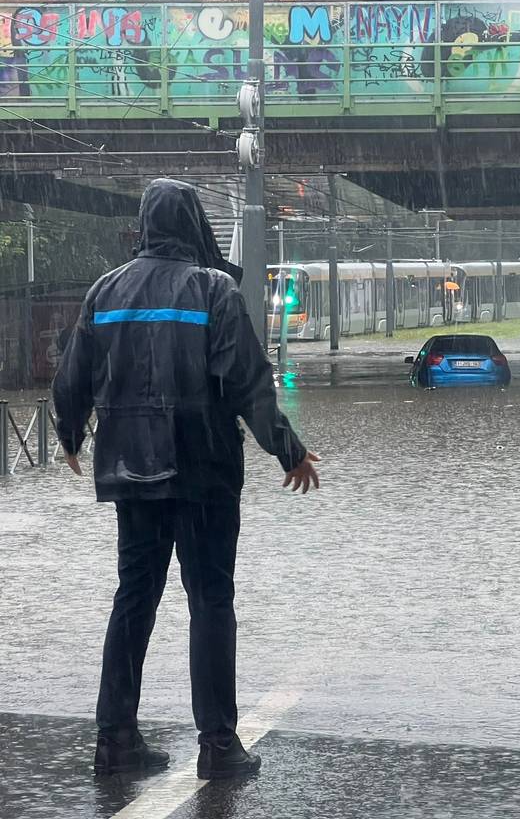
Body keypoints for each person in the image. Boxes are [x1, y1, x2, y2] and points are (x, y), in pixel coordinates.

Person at [52, 179, 320, 780]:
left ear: (145, 225)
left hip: (132, 475)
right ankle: (217, 747)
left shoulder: (106, 290)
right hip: (203, 477)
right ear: (196, 224)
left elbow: (73, 376)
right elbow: (249, 384)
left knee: (134, 600)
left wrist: (70, 434)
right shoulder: (213, 290)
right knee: (211, 603)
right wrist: (288, 450)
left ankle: (115, 741)